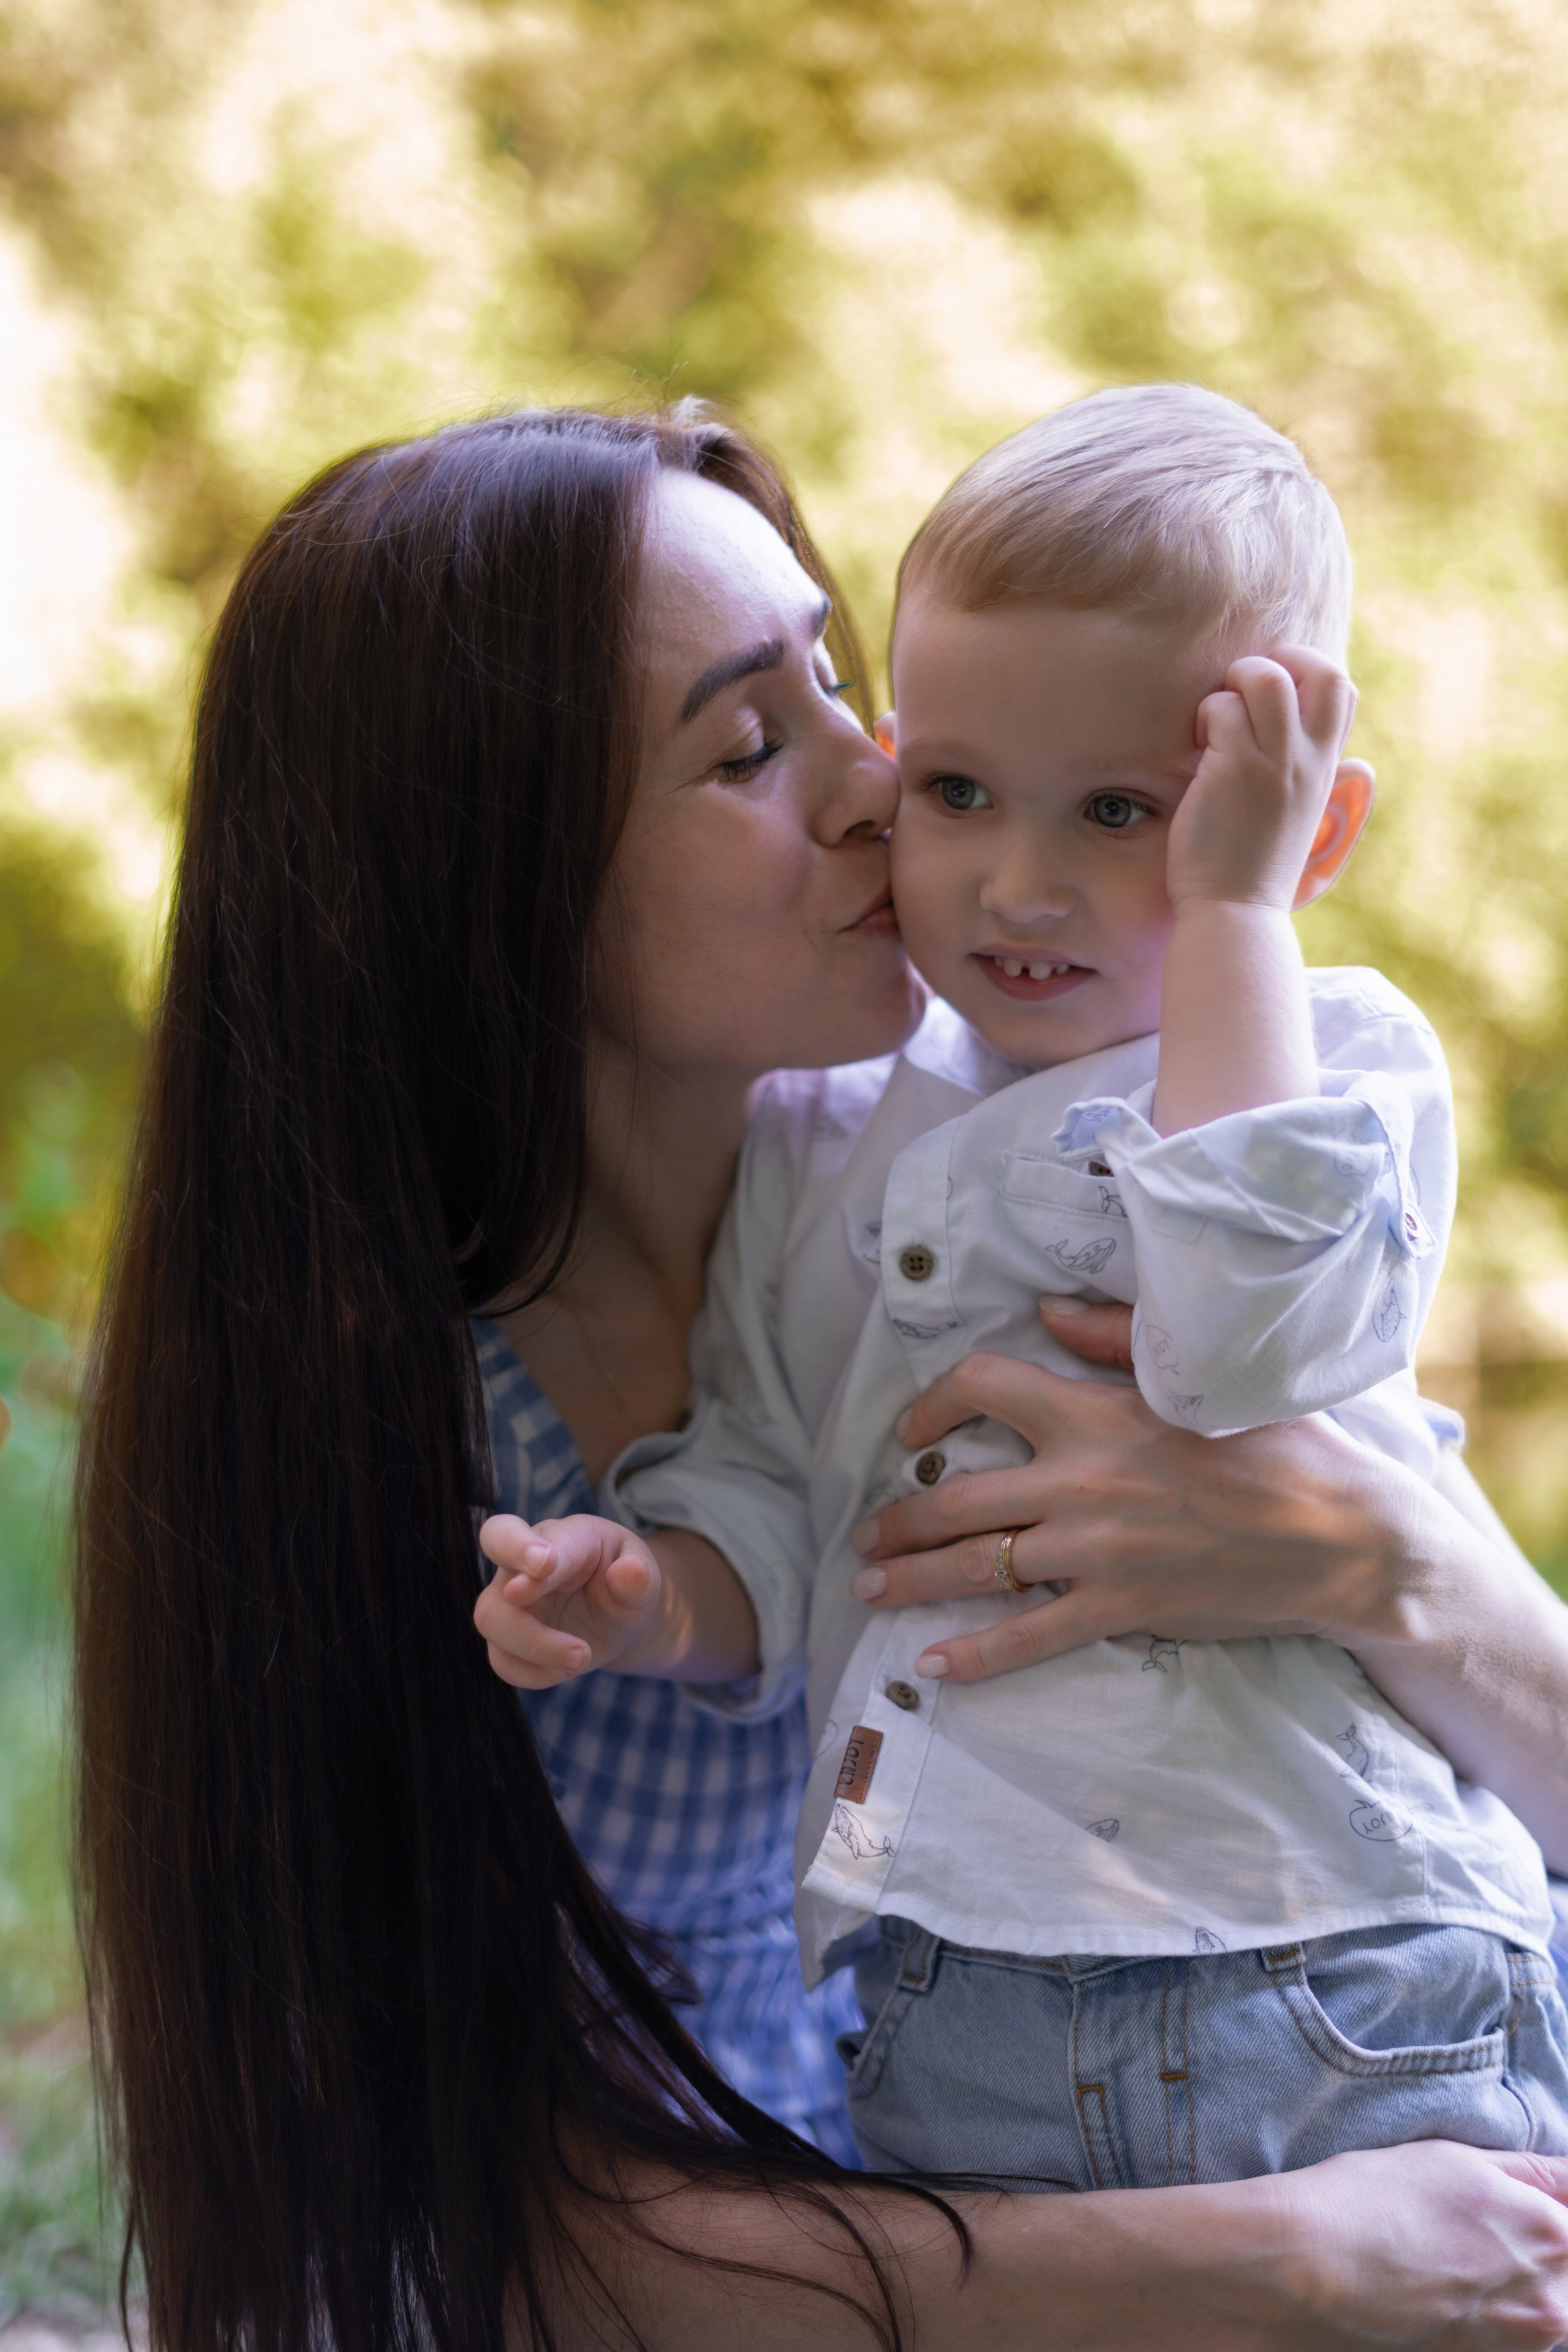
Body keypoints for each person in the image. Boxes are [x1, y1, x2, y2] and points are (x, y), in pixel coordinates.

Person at [74, 399, 1568, 2352]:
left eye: (847, 685)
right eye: (750, 747)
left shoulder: (1042, 1156)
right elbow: (491, 2229)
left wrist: (1369, 1560)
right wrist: (1296, 2256)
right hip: (925, 2235)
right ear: (498, 886)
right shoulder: (388, 1434)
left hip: (1242, 2057)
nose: (885, 790)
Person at [473, 388, 1568, 2188]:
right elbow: (775, 1472)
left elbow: (1239, 1352)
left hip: (1333, 1962)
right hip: (956, 1997)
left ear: (1306, 831)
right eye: (959, 791)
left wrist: (1232, 923)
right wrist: (655, 1596)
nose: (1020, 878)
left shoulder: (1332, 1072)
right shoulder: (824, 1149)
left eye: (1130, 812)